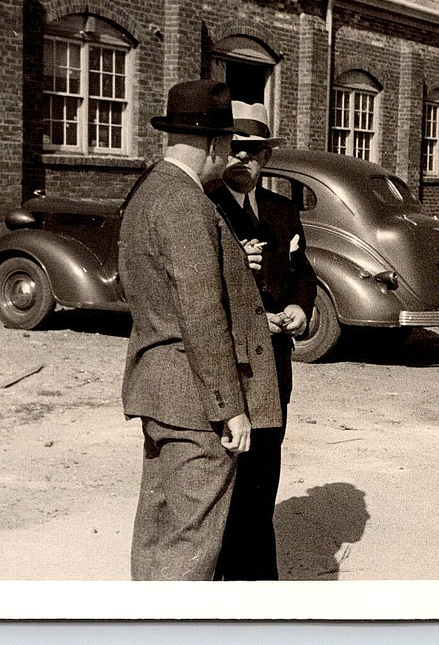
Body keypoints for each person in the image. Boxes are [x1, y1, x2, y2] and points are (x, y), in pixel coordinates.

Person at [118, 80, 282, 581]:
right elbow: (202, 314)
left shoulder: (148, 191)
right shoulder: (187, 203)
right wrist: (229, 407)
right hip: (193, 401)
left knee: (161, 531)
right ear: (213, 145)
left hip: (161, 390)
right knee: (188, 547)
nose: (231, 157)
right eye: (229, 146)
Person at [208, 101, 317, 580]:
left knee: (264, 471)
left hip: (275, 361)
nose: (242, 159)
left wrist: (299, 306)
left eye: (253, 150)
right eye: (234, 148)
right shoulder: (206, 207)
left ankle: (257, 587)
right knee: (227, 471)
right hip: (229, 361)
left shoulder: (281, 209)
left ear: (266, 156)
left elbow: (304, 273)